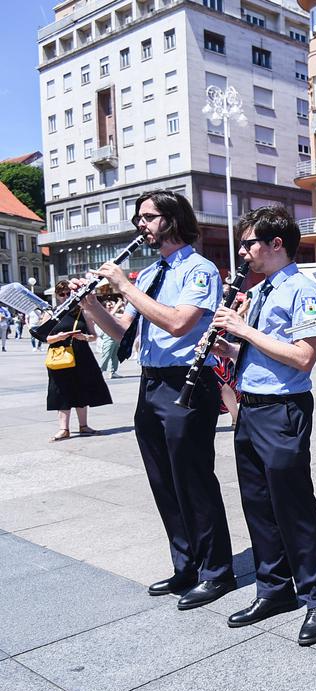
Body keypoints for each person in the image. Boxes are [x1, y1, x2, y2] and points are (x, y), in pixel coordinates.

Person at [80, 191, 237, 608]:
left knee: (193, 478)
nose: (140, 225)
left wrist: (123, 287)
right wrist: (92, 304)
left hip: (187, 382)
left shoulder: (198, 269)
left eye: (147, 217)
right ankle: (185, 563)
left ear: (172, 219)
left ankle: (217, 570)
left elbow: (179, 324)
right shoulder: (150, 273)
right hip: (151, 383)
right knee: (163, 480)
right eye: (138, 218)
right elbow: (124, 337)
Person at [211, 206, 316, 646]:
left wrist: (243, 331)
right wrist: (226, 347)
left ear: (276, 243)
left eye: (249, 243)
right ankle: (274, 589)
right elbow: (263, 349)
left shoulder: (303, 290)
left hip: (283, 408)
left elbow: (303, 357)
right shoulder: (260, 290)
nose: (243, 252)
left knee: (293, 504)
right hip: (251, 406)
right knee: (258, 504)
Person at [43, 279, 111, 441]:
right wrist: (58, 337)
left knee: (82, 388)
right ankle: (63, 429)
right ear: (57, 296)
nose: (65, 296)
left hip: (81, 355)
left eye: (68, 293)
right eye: (62, 294)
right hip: (59, 355)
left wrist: (84, 337)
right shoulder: (51, 313)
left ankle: (83, 425)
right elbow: (43, 337)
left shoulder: (83, 311)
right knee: (61, 391)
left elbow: (94, 336)